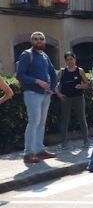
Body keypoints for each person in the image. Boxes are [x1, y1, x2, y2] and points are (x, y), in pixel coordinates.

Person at [16, 32, 58, 164]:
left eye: (41, 39)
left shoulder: (44, 55)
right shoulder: (26, 54)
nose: (39, 41)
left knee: (41, 122)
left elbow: (53, 72)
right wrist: (37, 81)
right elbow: (20, 75)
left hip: (45, 94)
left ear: (44, 41)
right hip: (32, 93)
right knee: (34, 121)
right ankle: (28, 153)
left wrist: (52, 87)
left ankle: (39, 150)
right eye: (36, 39)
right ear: (31, 41)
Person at [57, 51, 90, 149]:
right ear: (65, 61)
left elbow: (87, 84)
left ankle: (86, 141)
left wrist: (81, 86)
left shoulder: (80, 71)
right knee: (65, 120)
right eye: (67, 59)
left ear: (75, 59)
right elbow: (54, 84)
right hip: (65, 98)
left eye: (71, 59)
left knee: (82, 119)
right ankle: (64, 143)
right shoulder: (62, 72)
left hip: (78, 98)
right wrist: (58, 94)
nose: (70, 61)